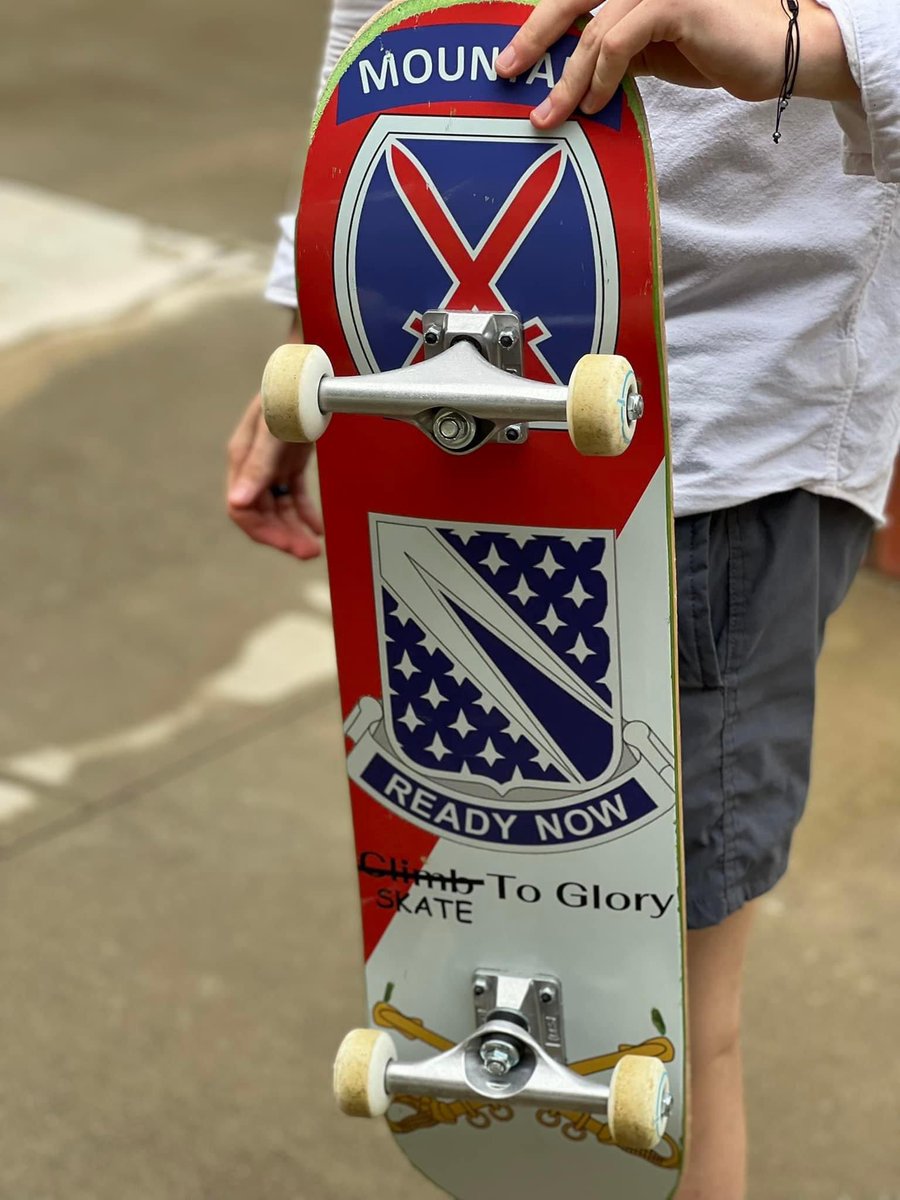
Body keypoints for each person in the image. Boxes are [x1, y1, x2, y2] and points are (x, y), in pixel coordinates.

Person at [226, 1, 900, 1195]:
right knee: (496, 996)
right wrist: (315, 337)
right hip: (427, 413)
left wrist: (805, 39)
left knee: (644, 1034)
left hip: (703, 445)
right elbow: (373, 40)